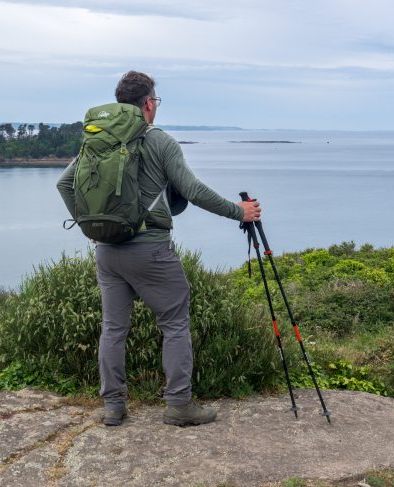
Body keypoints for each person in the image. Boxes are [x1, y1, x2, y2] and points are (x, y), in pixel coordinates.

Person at [57, 70, 261, 427]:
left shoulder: (98, 141)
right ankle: (179, 405)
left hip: (107, 251)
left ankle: (114, 407)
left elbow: (64, 184)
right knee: (175, 323)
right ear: (149, 103)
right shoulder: (159, 140)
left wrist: (92, 224)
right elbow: (193, 191)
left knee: (113, 328)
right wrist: (238, 211)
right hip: (151, 250)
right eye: (156, 101)